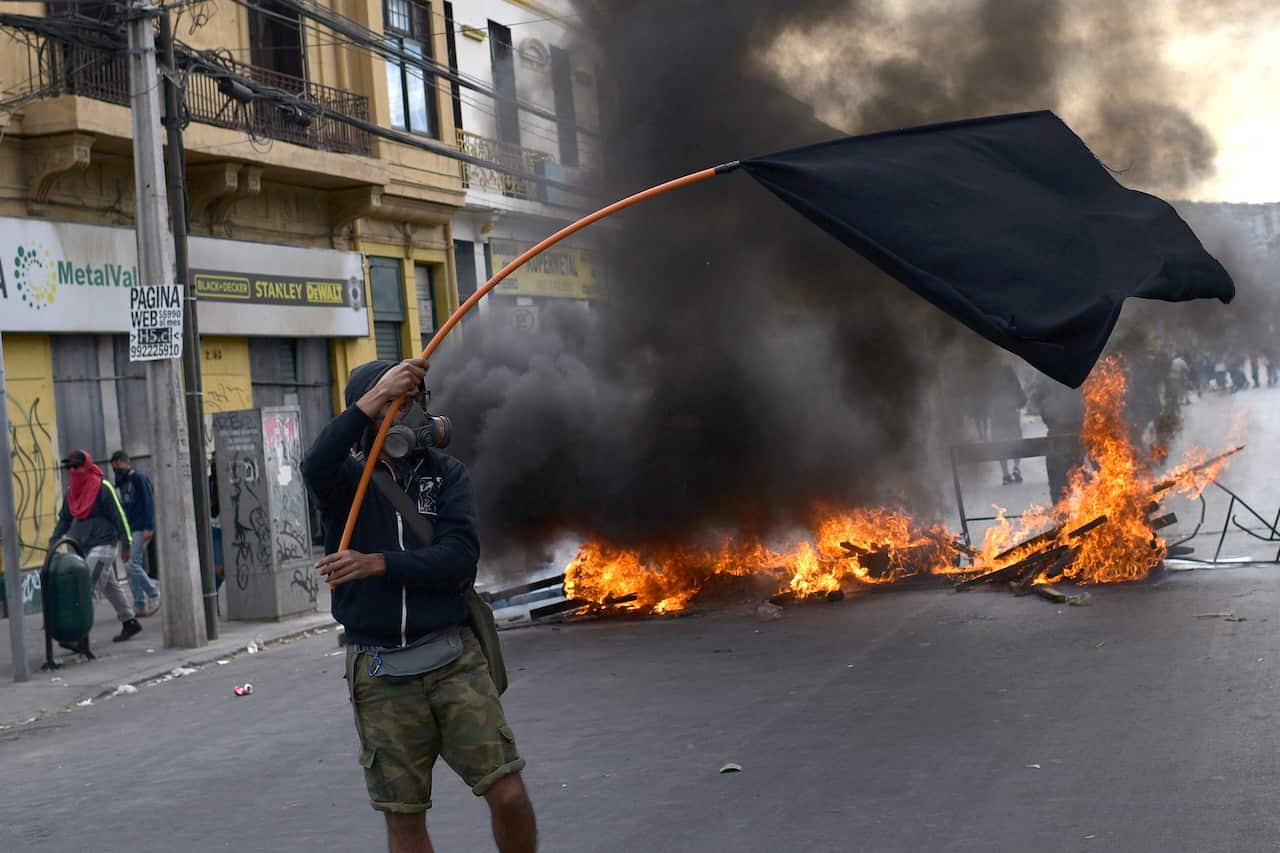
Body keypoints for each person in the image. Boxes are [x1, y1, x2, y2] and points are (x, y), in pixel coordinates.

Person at [301, 358, 535, 853]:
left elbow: (458, 559)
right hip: (381, 673)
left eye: (409, 404)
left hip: (453, 660)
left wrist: (378, 564)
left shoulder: (446, 475)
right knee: (405, 820)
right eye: (389, 404)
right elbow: (314, 463)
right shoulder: (345, 482)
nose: (401, 415)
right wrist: (372, 398)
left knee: (509, 793)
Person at [50, 450, 142, 642]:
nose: (74, 471)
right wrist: (54, 541)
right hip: (83, 547)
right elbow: (64, 520)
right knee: (109, 585)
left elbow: (119, 515)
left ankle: (79, 636)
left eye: (77, 466)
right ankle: (130, 622)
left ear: (87, 465)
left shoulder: (102, 487)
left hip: (105, 545)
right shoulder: (71, 493)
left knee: (86, 588)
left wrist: (127, 544)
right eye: (70, 467)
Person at [109, 450, 161, 616]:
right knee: (129, 566)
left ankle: (154, 593)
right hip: (130, 529)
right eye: (114, 467)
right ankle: (139, 603)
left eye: (118, 465)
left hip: (140, 527)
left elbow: (148, 503)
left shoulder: (138, 478)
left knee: (133, 564)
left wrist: (148, 527)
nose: (116, 469)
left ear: (125, 462)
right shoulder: (120, 483)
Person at [988, 360, 1026, 485]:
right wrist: (1020, 402)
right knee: (1016, 439)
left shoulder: (988, 373)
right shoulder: (1008, 370)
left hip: (996, 415)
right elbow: (1018, 389)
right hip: (1010, 412)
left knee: (1000, 442)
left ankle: (1005, 473)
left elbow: (983, 397)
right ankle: (1016, 468)